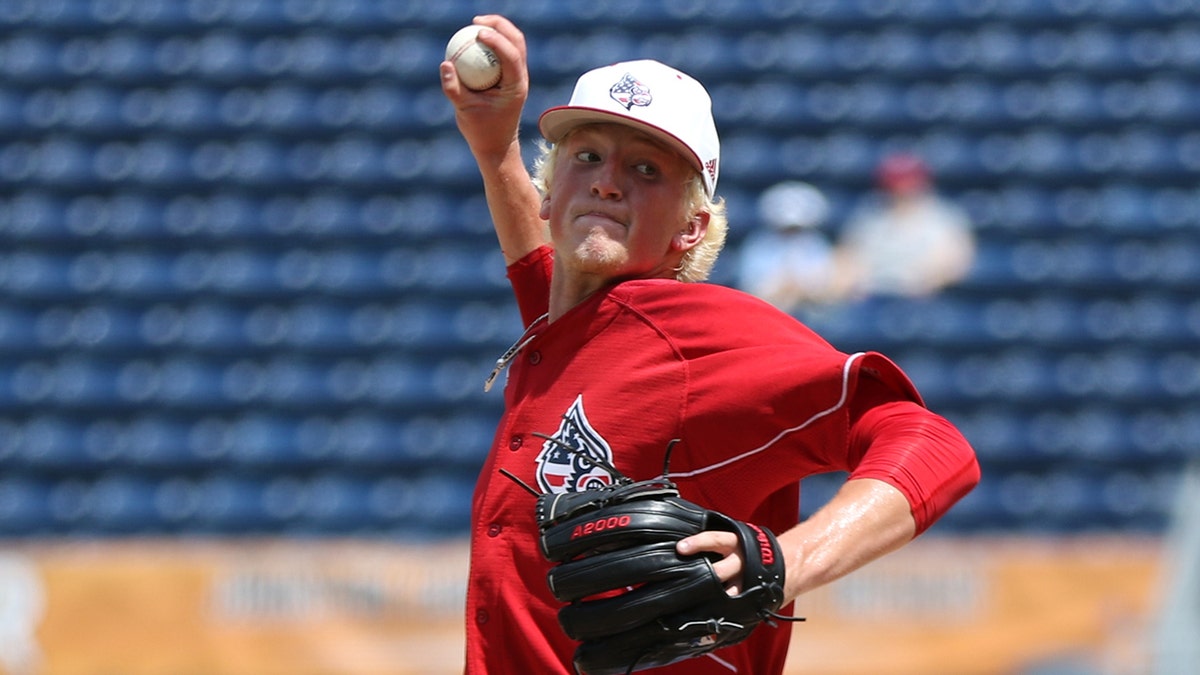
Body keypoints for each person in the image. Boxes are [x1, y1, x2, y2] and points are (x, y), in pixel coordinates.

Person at [439, 15, 979, 675]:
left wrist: (787, 563)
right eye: (587, 157)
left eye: (645, 168)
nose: (608, 182)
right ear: (550, 193)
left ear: (691, 229)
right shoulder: (570, 328)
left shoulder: (698, 332)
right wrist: (496, 148)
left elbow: (934, 445)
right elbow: (547, 275)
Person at [835, 152, 976, 299]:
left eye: (909, 185)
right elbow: (847, 262)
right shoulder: (870, 217)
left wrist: (925, 280)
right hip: (872, 298)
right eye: (896, 187)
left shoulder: (943, 217)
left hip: (925, 301)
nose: (903, 192)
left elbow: (955, 264)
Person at [737, 180, 849, 312]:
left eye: (797, 229)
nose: (791, 233)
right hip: (771, 311)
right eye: (786, 228)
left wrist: (801, 289)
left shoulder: (816, 244)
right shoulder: (759, 245)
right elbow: (752, 289)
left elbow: (827, 289)